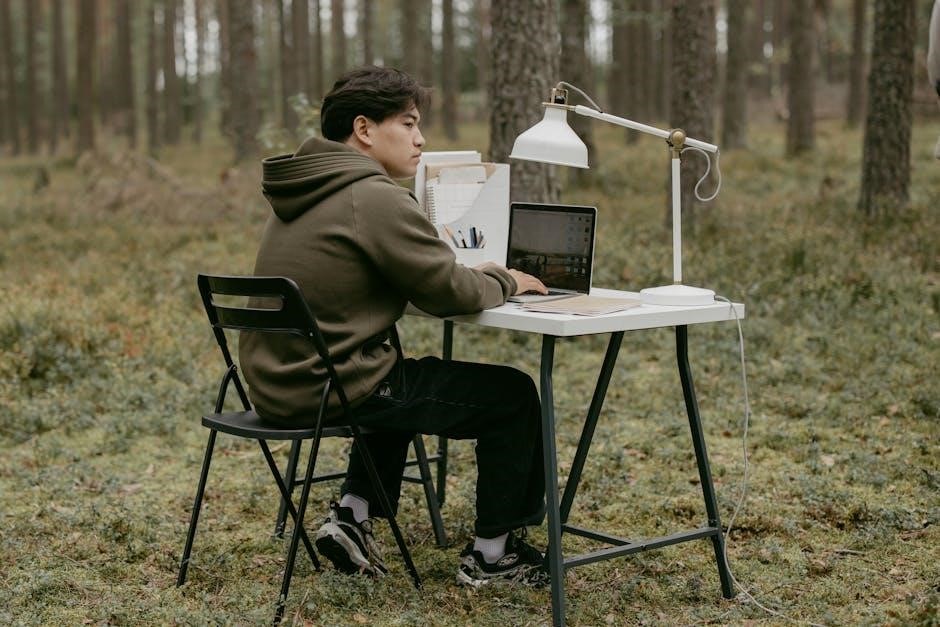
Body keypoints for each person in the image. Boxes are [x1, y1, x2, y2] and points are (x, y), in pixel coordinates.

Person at [238, 66, 551, 588]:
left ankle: (353, 515)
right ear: (364, 129)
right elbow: (452, 294)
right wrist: (507, 278)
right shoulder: (372, 196)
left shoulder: (302, 189)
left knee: (394, 371)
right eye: (408, 124)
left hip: (278, 382)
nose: (420, 138)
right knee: (512, 396)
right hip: (332, 385)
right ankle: (493, 557)